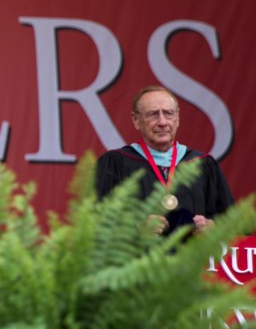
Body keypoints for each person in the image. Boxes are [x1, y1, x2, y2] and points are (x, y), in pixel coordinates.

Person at [96, 86, 233, 233]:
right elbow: (94, 224)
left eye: (168, 113)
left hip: (193, 254)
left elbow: (233, 223)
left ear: (177, 117)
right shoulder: (115, 163)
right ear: (136, 120)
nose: (162, 122)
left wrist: (212, 226)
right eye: (153, 114)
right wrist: (135, 229)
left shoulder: (202, 164)